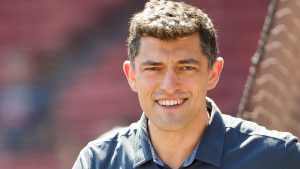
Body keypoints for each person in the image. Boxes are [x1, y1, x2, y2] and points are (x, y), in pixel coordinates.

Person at [72, 0, 300, 168]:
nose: (170, 85)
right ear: (131, 75)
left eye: (186, 67)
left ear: (213, 72)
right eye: (154, 68)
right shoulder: (97, 162)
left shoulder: (278, 157)